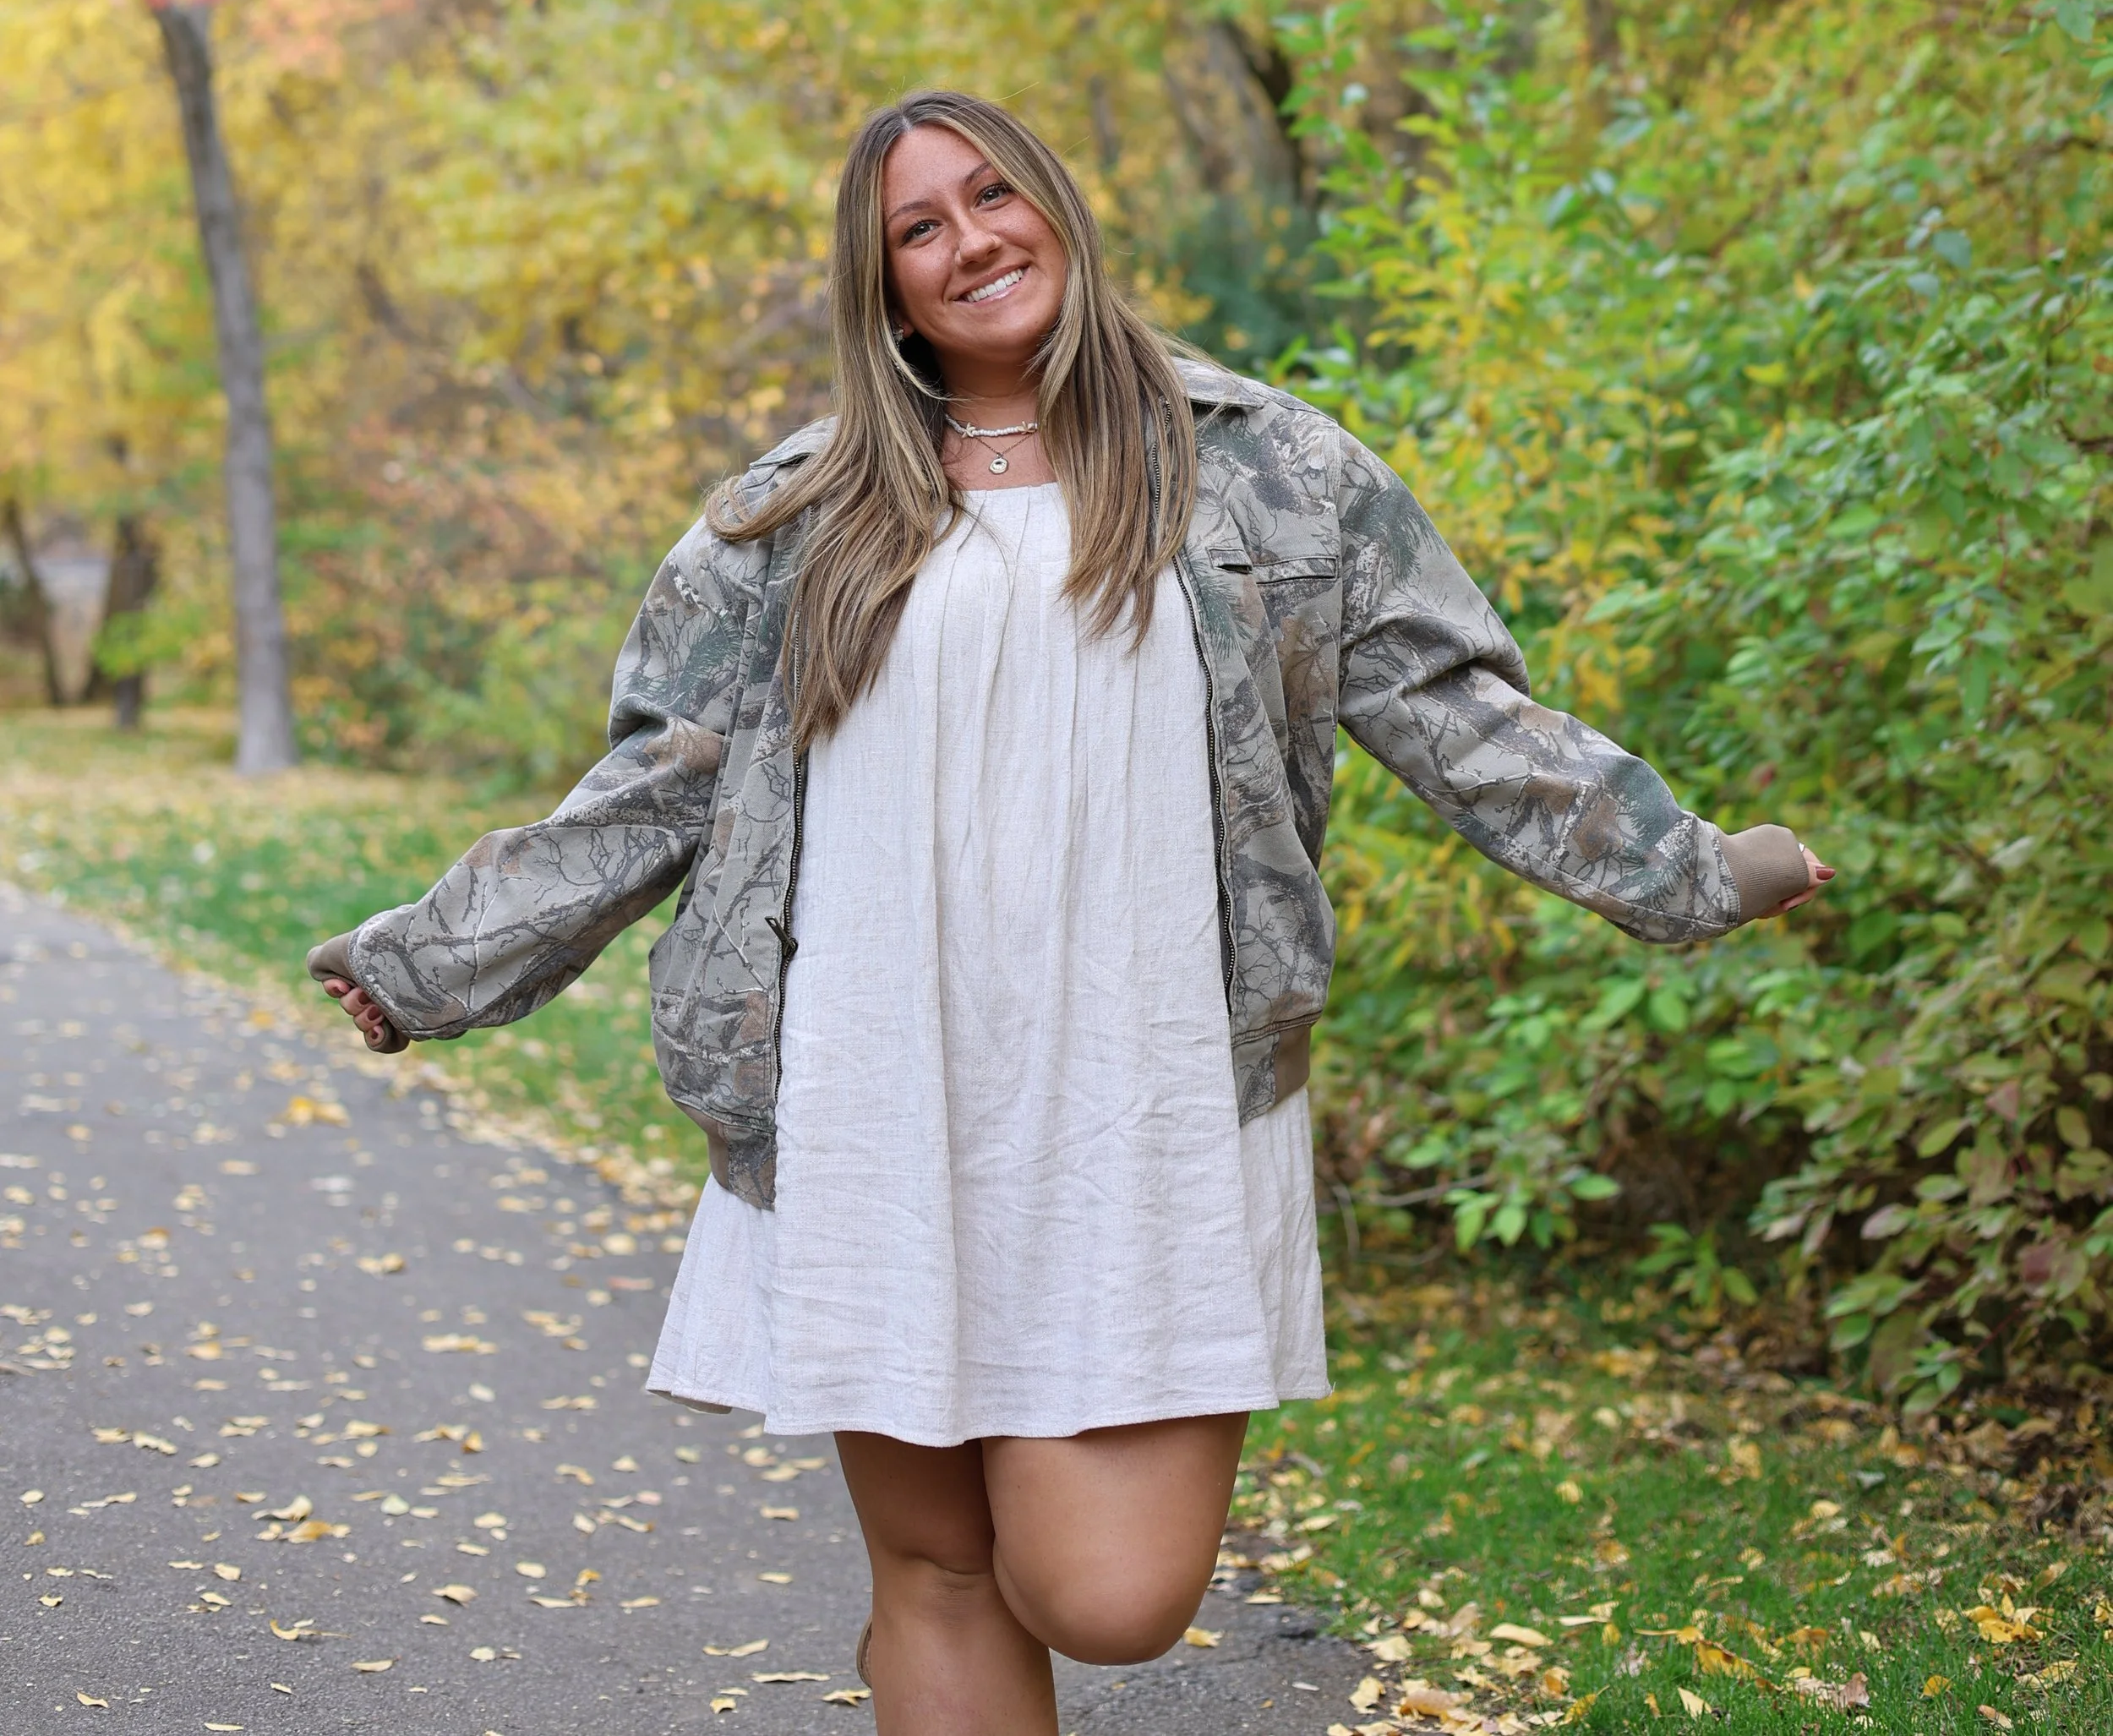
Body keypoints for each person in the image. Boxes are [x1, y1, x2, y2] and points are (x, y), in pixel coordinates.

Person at [311, 88, 1830, 1733]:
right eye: (918, 228)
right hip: (871, 1083)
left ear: (1053, 204)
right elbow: (651, 791)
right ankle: (924, 1649)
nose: (968, 241)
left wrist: (1689, 871)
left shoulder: (1264, 471)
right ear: (882, 282)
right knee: (946, 1576)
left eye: (989, 197)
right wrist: (432, 964)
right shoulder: (792, 514)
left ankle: (918, 1662)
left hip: (1150, 1085)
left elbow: (1461, 716)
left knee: (1109, 1598)